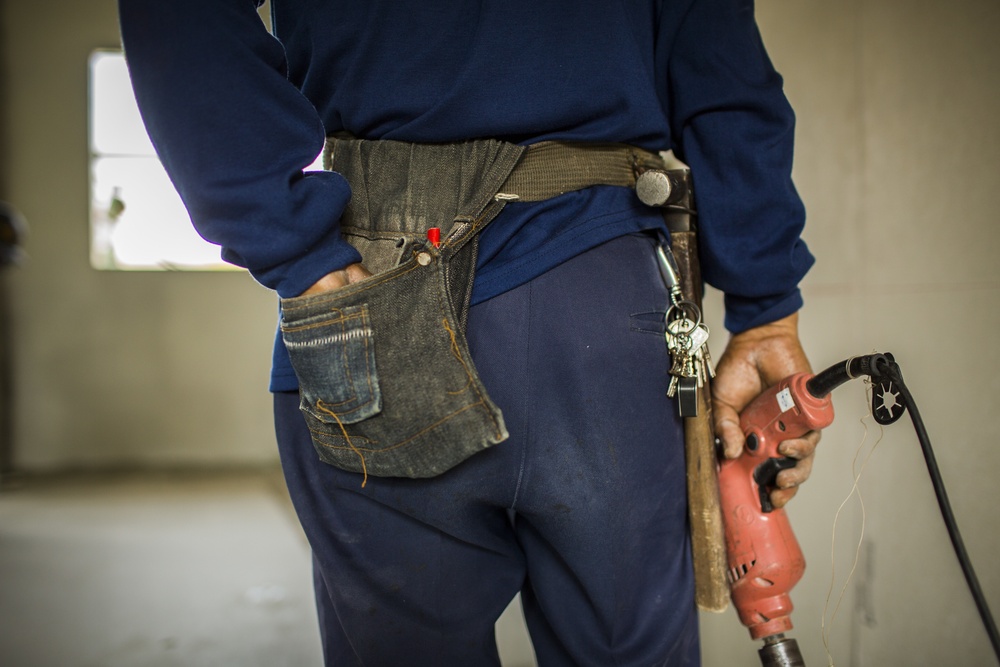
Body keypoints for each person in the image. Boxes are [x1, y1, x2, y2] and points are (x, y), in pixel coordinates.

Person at [118, 1, 821, 664]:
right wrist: (766, 305)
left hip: (370, 286)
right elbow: (717, 54)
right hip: (599, 289)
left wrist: (293, 247)